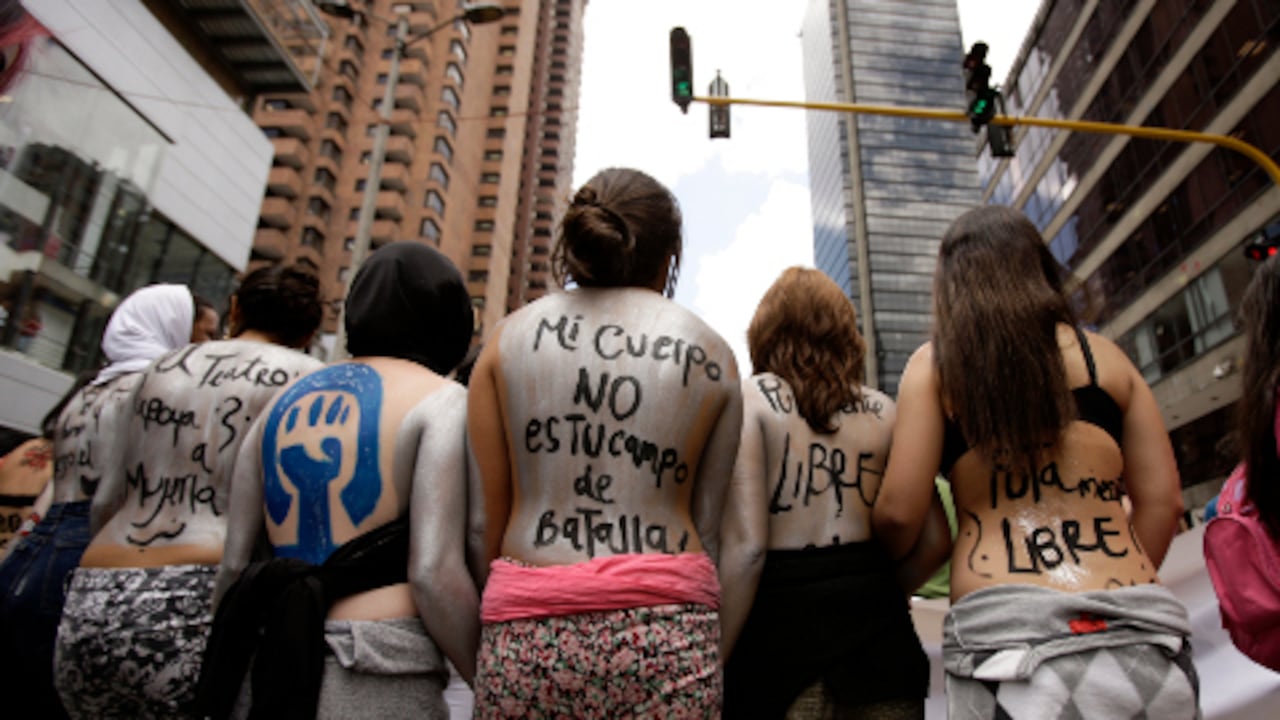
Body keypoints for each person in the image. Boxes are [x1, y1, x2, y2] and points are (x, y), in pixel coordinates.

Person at [873, 206, 1198, 718]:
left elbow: (898, 513)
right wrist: (1107, 595)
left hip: (1005, 644)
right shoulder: (1107, 359)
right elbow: (1164, 503)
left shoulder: (934, 368)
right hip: (1140, 633)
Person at [468, 167, 743, 717]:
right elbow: (711, 528)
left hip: (528, 628)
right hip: (668, 632)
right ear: (668, 259)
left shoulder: (506, 341)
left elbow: (481, 527)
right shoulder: (712, 353)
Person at [197, 243, 477, 720]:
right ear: (450, 320)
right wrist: (484, 675)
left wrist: (228, 657)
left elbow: (235, 564)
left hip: (270, 657)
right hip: (377, 663)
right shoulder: (445, 401)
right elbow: (433, 573)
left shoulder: (280, 404)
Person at [52, 265, 323, 718]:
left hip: (97, 590)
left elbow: (105, 501)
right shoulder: (308, 379)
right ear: (311, 331)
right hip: (199, 596)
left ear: (235, 309)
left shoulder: (160, 369)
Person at [718, 267, 949, 719]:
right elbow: (937, 540)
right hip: (883, 648)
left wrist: (715, 655)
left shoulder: (750, 401)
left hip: (778, 652)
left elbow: (746, 550)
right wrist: (879, 590)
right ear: (847, 333)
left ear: (765, 333)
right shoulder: (885, 411)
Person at [0, 283, 194, 719]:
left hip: (34, 551)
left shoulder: (86, 394)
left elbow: (51, 494)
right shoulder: (153, 391)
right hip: (85, 552)